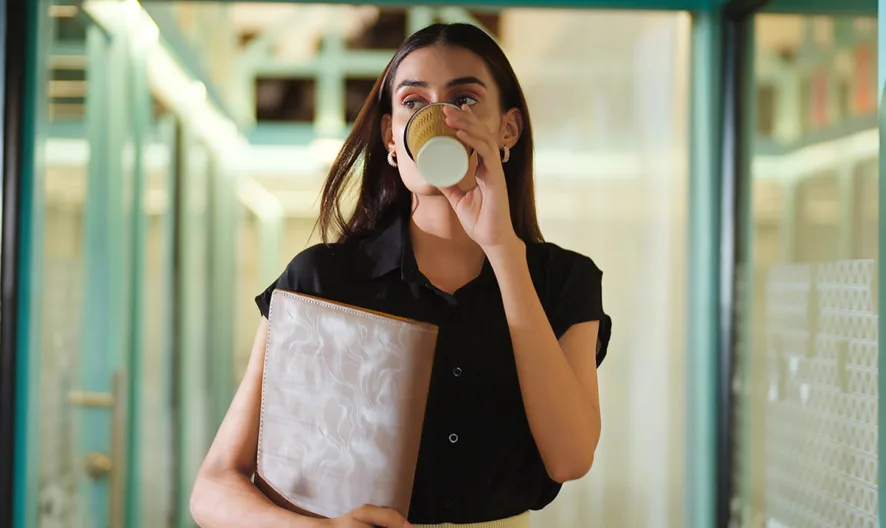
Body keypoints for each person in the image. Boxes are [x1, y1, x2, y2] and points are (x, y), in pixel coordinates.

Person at [190, 22, 611, 528]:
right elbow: (214, 489)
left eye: (466, 100)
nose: (440, 118)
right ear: (393, 135)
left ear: (508, 129)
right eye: (414, 102)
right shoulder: (322, 281)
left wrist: (503, 250)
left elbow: (570, 458)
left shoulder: (562, 280)